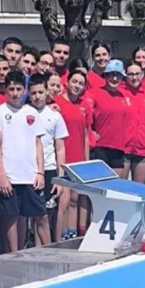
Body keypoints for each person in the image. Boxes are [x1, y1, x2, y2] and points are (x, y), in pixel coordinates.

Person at [0, 71, 47, 252]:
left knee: (41, 216)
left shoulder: (31, 112)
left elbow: (38, 144)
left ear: (25, 90)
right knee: (10, 218)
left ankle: (50, 253)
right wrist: (2, 175)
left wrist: (40, 172)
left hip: (31, 176)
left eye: (18, 89)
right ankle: (14, 255)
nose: (15, 93)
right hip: (10, 177)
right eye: (11, 89)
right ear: (5, 90)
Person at [28, 73, 68, 242]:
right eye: (33, 93)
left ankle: (47, 248)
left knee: (46, 215)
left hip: (49, 169)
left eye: (40, 92)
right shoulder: (23, 113)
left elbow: (60, 148)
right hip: (28, 170)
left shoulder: (55, 116)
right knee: (34, 215)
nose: (37, 96)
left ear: (46, 92)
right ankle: (36, 249)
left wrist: (60, 178)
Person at [55, 69, 91, 239]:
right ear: (67, 83)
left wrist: (86, 160)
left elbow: (85, 134)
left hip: (78, 160)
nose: (77, 86)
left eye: (81, 83)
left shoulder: (84, 106)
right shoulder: (57, 103)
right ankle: (61, 235)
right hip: (63, 158)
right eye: (74, 82)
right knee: (64, 200)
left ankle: (73, 234)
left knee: (75, 199)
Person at [85, 59, 128, 177]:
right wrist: (90, 131)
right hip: (100, 146)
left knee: (117, 185)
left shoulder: (123, 96)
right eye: (111, 75)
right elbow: (84, 114)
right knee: (99, 184)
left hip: (118, 148)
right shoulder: (93, 93)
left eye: (118, 75)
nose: (114, 78)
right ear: (105, 75)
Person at [122, 62, 145, 184]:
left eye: (137, 74)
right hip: (123, 148)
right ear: (125, 74)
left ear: (142, 74)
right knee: (120, 189)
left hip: (142, 147)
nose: (134, 77)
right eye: (131, 74)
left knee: (139, 189)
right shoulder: (120, 92)